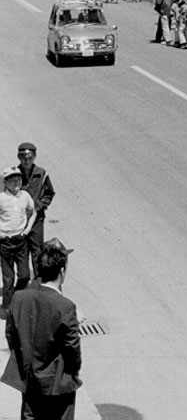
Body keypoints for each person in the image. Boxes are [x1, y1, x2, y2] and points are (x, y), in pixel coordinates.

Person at [1, 239, 82, 420]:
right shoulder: (66, 307)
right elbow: (72, 349)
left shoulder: (19, 298)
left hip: (29, 379)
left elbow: (10, 334)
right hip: (57, 382)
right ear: (62, 271)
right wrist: (73, 371)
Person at [15, 143, 53, 278]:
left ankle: (38, 280)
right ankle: (23, 279)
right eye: (23, 157)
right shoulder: (14, 174)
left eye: (30, 157)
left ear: (34, 157)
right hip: (19, 220)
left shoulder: (41, 174)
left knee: (37, 250)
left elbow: (49, 193)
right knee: (22, 250)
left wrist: (40, 205)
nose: (27, 160)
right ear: (18, 157)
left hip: (37, 219)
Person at [0, 168, 35, 316]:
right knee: (8, 280)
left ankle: (17, 298)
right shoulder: (1, 198)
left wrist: (26, 231)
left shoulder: (25, 196)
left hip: (20, 241)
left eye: (19, 179)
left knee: (25, 275)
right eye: (12, 179)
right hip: (5, 242)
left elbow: (33, 212)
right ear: (5, 182)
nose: (16, 182)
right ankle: (6, 308)